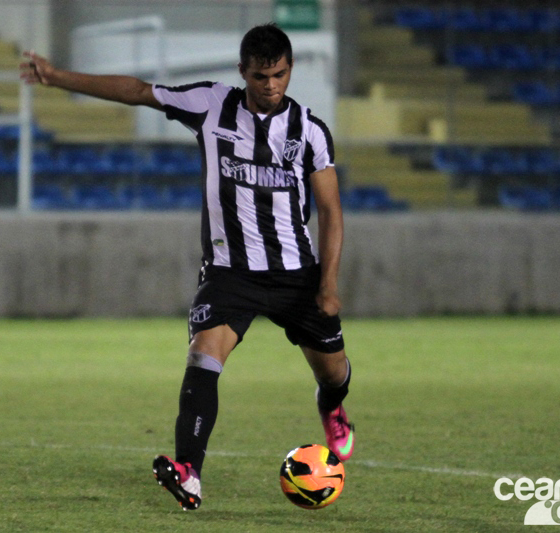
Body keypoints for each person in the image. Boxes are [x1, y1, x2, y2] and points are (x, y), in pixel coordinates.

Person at [20, 22, 353, 511]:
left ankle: (332, 406)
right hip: (229, 273)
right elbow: (139, 92)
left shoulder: (310, 131)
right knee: (203, 358)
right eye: (260, 76)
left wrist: (328, 283)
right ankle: (189, 473)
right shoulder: (211, 104)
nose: (270, 86)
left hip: (296, 274)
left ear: (290, 69)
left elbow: (331, 211)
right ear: (242, 71)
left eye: (279, 75)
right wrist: (58, 78)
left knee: (334, 373)